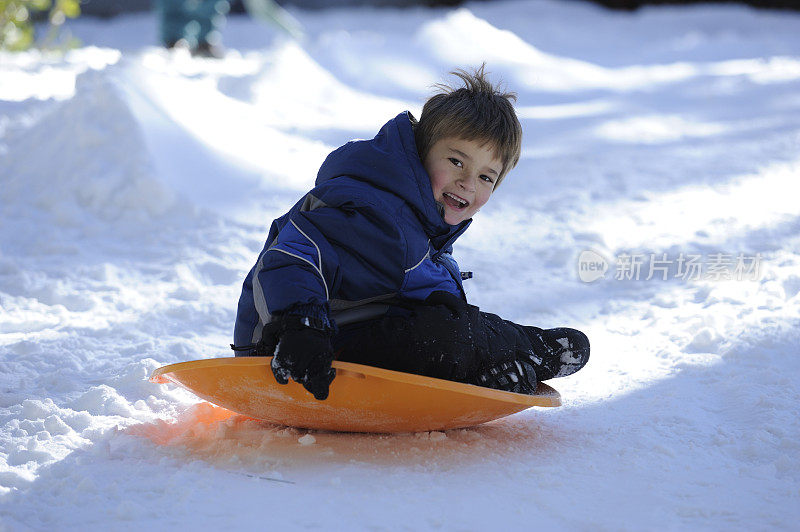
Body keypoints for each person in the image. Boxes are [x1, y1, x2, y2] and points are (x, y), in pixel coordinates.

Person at [232, 65, 589, 400]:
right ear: (421, 151)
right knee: (447, 333)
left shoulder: (422, 234)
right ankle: (532, 352)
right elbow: (291, 258)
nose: (467, 183)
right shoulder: (373, 208)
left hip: (349, 350)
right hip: (292, 353)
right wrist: (301, 325)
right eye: (456, 161)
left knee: (449, 323)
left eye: (485, 177)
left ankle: (500, 371)